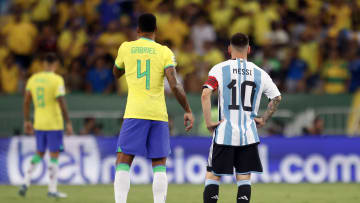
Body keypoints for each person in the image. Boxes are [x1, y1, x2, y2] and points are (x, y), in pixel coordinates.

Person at [112, 13, 194, 203]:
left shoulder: (126, 47)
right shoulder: (164, 52)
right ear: (156, 30)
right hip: (158, 115)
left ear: (138, 30)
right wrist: (188, 110)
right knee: (159, 165)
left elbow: (116, 72)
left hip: (135, 112)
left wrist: (128, 65)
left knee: (123, 161)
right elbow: (174, 85)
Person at [201, 33, 281, 203]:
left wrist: (209, 123)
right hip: (248, 135)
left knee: (213, 176)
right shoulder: (260, 73)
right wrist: (264, 118)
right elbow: (277, 98)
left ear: (229, 49)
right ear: (249, 49)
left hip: (224, 133)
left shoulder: (219, 69)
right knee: (244, 178)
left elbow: (205, 94)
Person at [19, 53, 73, 198]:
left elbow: (26, 102)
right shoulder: (57, 79)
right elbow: (61, 101)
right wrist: (68, 122)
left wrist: (26, 121)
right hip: (54, 124)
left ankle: (25, 182)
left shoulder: (33, 79)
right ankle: (52, 189)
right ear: (55, 64)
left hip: (39, 123)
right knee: (54, 156)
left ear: (44, 64)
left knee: (39, 153)